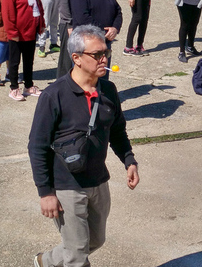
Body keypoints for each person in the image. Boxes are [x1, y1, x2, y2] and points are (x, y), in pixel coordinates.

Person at [28, 24, 139, 267]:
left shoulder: (108, 90)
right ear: (76, 58)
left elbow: (117, 131)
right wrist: (45, 192)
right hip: (67, 186)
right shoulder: (54, 95)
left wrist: (129, 160)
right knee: (78, 256)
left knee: (95, 241)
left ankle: (46, 261)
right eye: (97, 54)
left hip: (98, 181)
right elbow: (37, 146)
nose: (104, 59)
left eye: (106, 53)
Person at [70, 0, 122, 79]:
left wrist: (115, 28)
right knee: (85, 80)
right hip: (87, 46)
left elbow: (118, 12)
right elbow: (83, 18)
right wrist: (104, 31)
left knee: (102, 79)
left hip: (104, 44)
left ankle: (101, 98)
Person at [1, 0, 45, 100]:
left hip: (31, 31)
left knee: (29, 60)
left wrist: (41, 24)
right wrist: (12, 31)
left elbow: (38, 4)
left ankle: (28, 86)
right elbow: (8, 12)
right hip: (17, 32)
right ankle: (14, 88)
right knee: (14, 61)